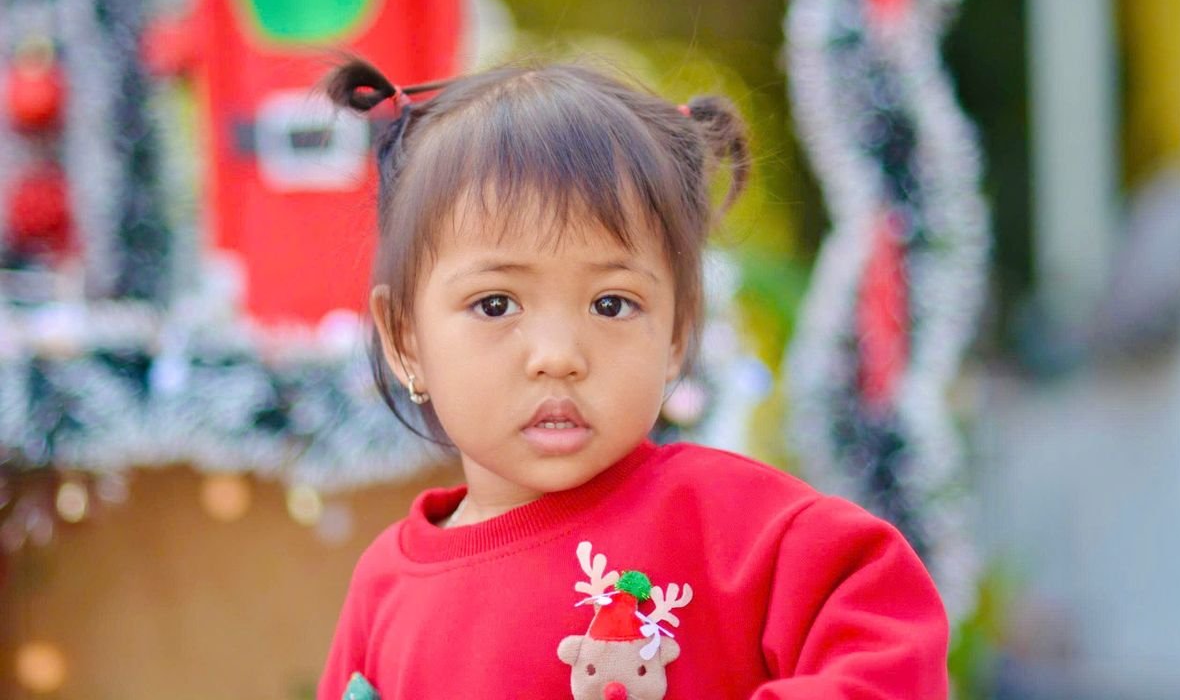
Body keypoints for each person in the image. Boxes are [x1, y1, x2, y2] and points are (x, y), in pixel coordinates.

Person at [317, 57, 948, 700]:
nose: (558, 356)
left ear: (676, 335)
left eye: (611, 304)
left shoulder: (731, 526)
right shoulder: (384, 590)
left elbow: (889, 647)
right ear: (405, 339)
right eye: (496, 304)